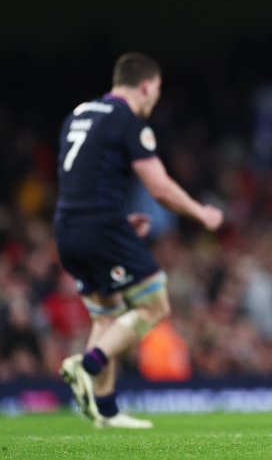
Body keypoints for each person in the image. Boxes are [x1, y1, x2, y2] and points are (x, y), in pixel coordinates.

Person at [55, 53, 224, 428]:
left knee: (107, 314)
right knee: (155, 305)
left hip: (69, 226)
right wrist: (201, 212)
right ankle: (86, 365)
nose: (155, 99)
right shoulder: (127, 120)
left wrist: (114, 218)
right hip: (101, 228)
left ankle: (105, 411)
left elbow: (82, 177)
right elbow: (159, 188)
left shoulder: (79, 114)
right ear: (146, 85)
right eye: (157, 90)